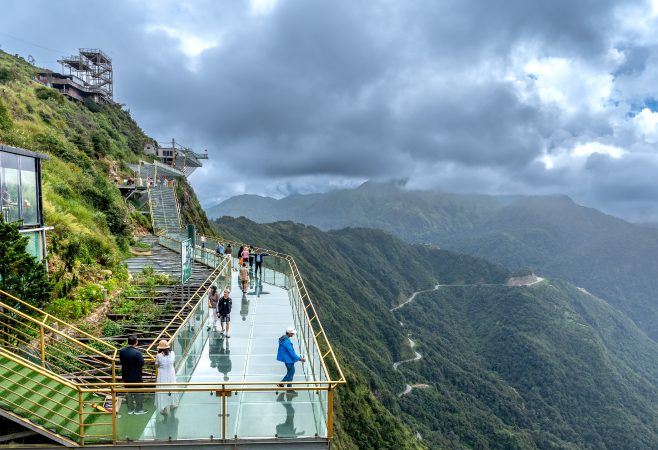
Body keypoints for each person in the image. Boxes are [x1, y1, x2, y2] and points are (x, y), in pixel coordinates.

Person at [119, 335, 148, 415]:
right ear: (136, 343)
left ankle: (130, 409)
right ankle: (138, 409)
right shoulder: (137, 352)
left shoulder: (122, 351)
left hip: (126, 376)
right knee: (139, 393)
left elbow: (121, 360)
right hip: (136, 376)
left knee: (129, 392)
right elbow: (141, 363)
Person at [276, 327, 306, 395]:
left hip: (287, 359)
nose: (293, 334)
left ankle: (281, 384)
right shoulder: (286, 342)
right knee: (290, 374)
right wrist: (300, 359)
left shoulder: (283, 339)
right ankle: (289, 390)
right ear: (289, 333)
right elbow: (291, 352)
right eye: (292, 333)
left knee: (290, 372)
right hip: (289, 360)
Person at [155, 340, 179, 415]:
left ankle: (165, 409)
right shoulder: (172, 353)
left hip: (162, 374)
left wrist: (157, 355)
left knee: (162, 389)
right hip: (171, 373)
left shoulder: (158, 355)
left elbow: (157, 365)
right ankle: (172, 404)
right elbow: (172, 361)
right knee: (171, 387)